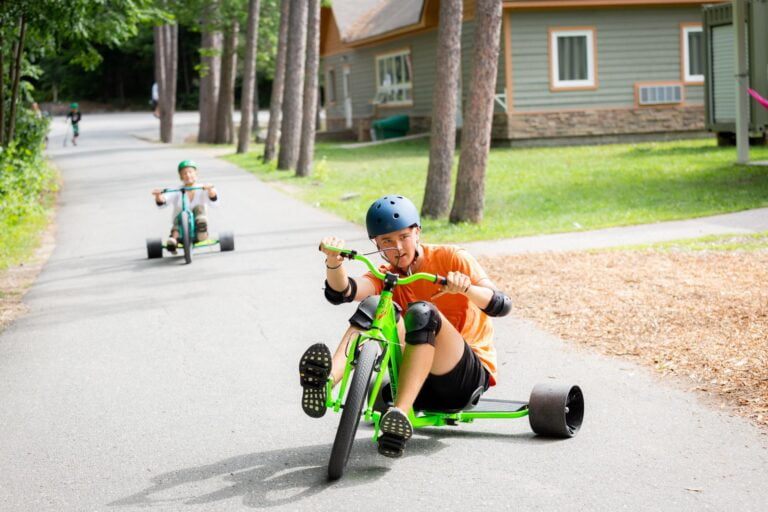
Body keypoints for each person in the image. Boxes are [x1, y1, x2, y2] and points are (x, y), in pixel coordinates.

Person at [300, 195, 513, 458]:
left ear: (417, 232)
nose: (397, 247)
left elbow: (501, 304)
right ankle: (326, 382)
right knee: (374, 304)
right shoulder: (386, 275)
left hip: (463, 381)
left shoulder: (452, 258)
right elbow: (344, 291)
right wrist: (334, 261)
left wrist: (468, 288)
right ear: (375, 243)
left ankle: (399, 416)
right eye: (387, 241)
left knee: (423, 313)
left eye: (403, 237)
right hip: (414, 386)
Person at [151, 160, 218, 253]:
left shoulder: (203, 187)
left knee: (199, 208)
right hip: (180, 227)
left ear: (196, 173)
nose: (188, 175)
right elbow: (163, 202)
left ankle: (202, 230)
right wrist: (158, 196)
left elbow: (214, 200)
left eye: (190, 172)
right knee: (180, 215)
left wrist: (210, 190)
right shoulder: (176, 190)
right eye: (184, 173)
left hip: (198, 225)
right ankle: (173, 240)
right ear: (181, 176)